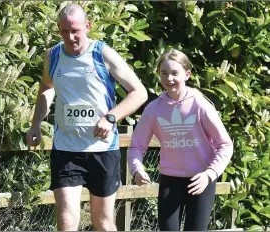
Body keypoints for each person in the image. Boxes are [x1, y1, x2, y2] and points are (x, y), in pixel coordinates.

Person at [26, 3, 147, 231]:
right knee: (67, 221)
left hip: (101, 150)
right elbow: (46, 87)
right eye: (64, 31)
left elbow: (139, 92)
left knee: (103, 223)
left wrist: (111, 118)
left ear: (87, 26)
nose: (70, 37)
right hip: (66, 149)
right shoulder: (52, 56)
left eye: (76, 30)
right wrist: (35, 124)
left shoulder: (102, 53)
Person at [127, 49, 233, 231]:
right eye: (164, 73)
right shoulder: (153, 109)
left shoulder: (200, 104)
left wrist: (209, 174)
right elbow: (136, 146)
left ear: (187, 74)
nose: (169, 78)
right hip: (170, 180)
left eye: (175, 73)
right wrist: (137, 170)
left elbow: (225, 145)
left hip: (201, 181)